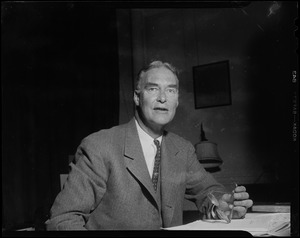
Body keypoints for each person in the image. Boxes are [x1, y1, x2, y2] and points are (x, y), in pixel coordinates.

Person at [46, 60, 253, 230]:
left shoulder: (182, 149)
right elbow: (63, 219)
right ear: (137, 97)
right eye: (153, 89)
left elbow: (208, 190)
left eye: (171, 91)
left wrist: (223, 204)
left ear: (177, 101)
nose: (163, 98)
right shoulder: (99, 146)